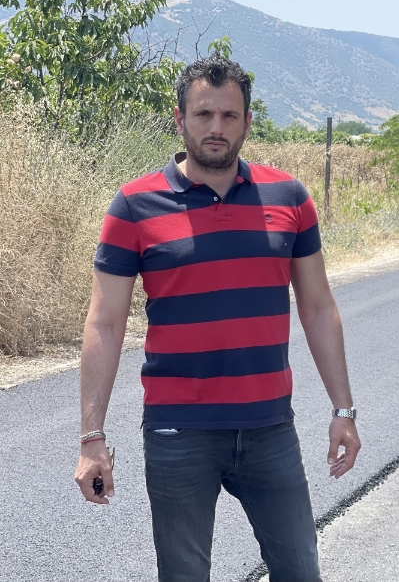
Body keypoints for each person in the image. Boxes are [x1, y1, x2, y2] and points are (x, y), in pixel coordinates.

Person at [73, 55, 361, 582]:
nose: (216, 128)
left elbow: (318, 306)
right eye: (203, 114)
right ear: (179, 118)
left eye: (229, 116)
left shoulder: (290, 197)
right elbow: (104, 324)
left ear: (247, 122)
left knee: (301, 571)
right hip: (178, 431)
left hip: (270, 427)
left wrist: (343, 408)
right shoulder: (134, 206)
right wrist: (92, 436)